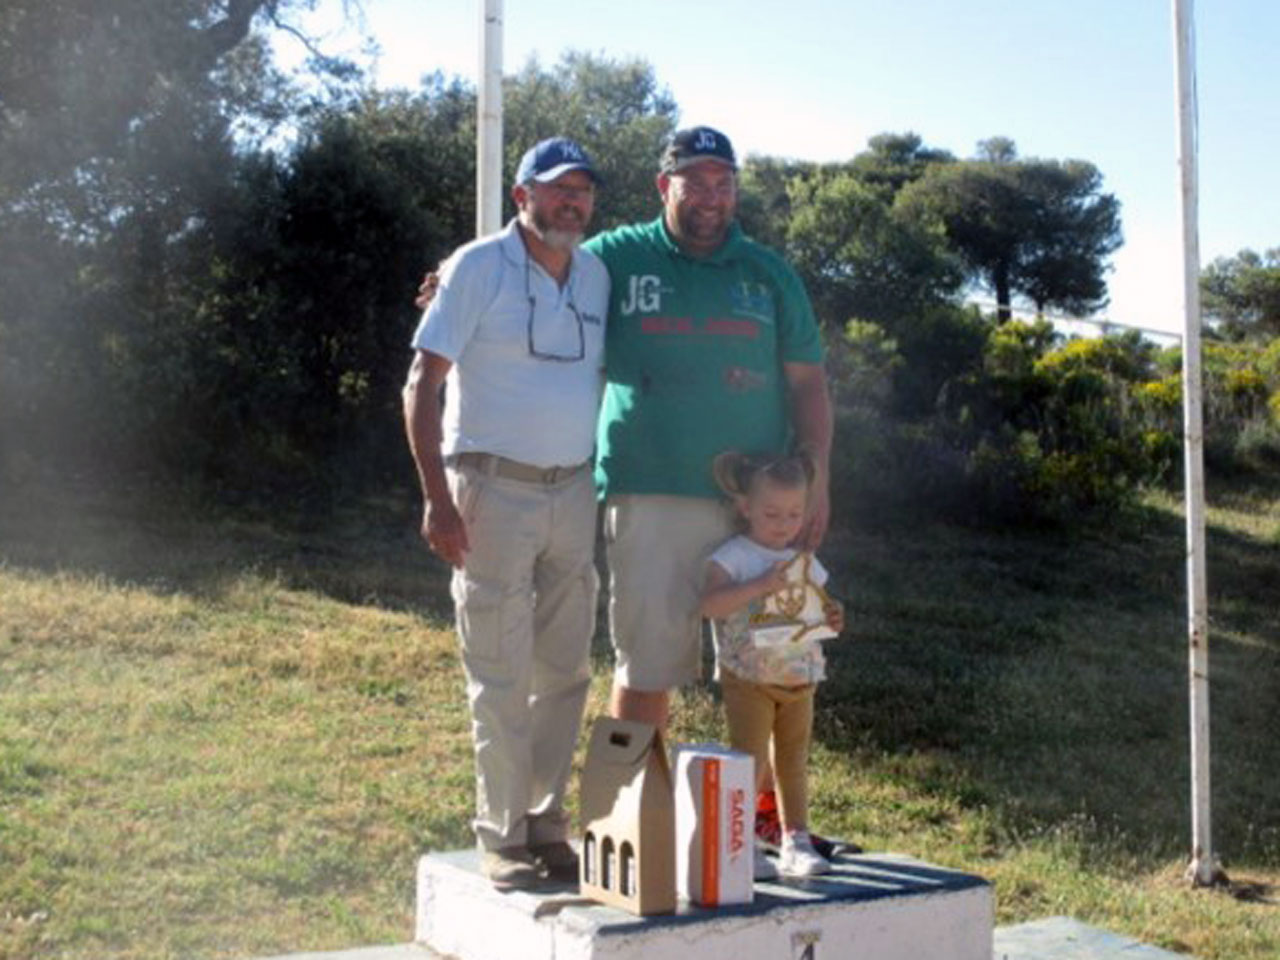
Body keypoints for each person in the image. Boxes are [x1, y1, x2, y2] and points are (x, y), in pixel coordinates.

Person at [402, 137, 609, 891]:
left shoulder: (597, 273)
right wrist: (436, 497)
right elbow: (421, 385)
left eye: (582, 191)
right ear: (521, 195)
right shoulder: (476, 267)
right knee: (498, 670)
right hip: (490, 490)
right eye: (557, 189)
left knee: (565, 671)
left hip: (574, 493)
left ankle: (546, 825)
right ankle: (500, 836)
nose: (571, 201)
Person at [583, 126, 833, 732]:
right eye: (695, 183)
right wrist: (455, 286)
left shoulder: (769, 273)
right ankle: (633, 816)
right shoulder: (614, 257)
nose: (711, 197)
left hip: (759, 506)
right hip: (652, 491)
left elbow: (808, 385)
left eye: (724, 184)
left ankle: (763, 822)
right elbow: (534, 271)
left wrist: (818, 481)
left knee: (774, 665)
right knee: (646, 668)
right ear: (664, 186)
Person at [698, 451, 844, 879]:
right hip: (749, 679)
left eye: (794, 514)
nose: (783, 524)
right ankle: (739, 845)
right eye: (772, 513)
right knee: (750, 758)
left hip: (799, 677)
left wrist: (836, 615)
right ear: (745, 508)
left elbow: (822, 605)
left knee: (793, 758)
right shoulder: (734, 556)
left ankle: (795, 839)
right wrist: (760, 585)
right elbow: (709, 605)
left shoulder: (805, 561)